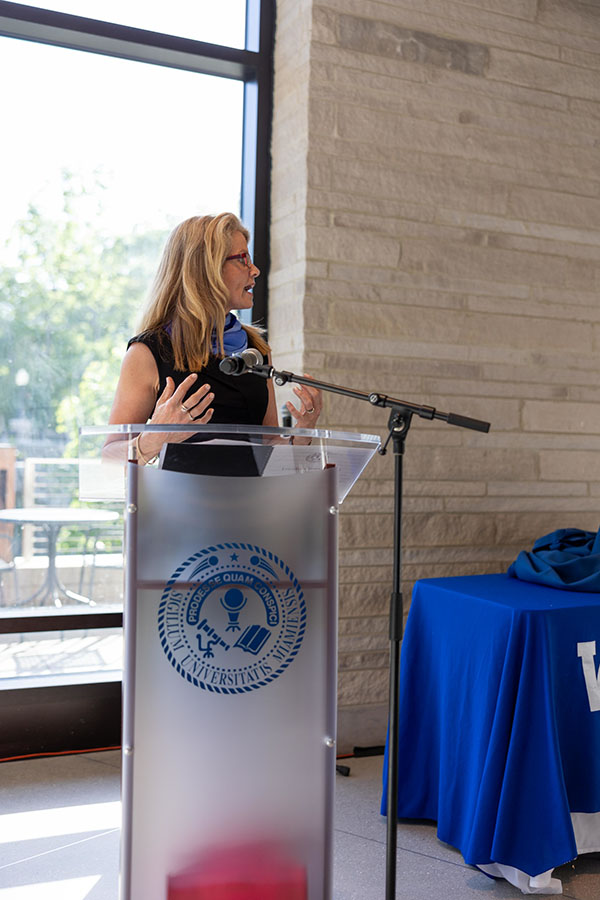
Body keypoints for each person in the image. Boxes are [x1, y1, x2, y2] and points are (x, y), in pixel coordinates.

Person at [107, 213, 322, 463]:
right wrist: (155, 438)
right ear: (206, 268)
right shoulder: (148, 352)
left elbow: (269, 442)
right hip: (178, 501)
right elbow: (108, 459)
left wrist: (303, 432)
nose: (255, 270)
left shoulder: (255, 350)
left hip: (250, 500)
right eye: (243, 259)